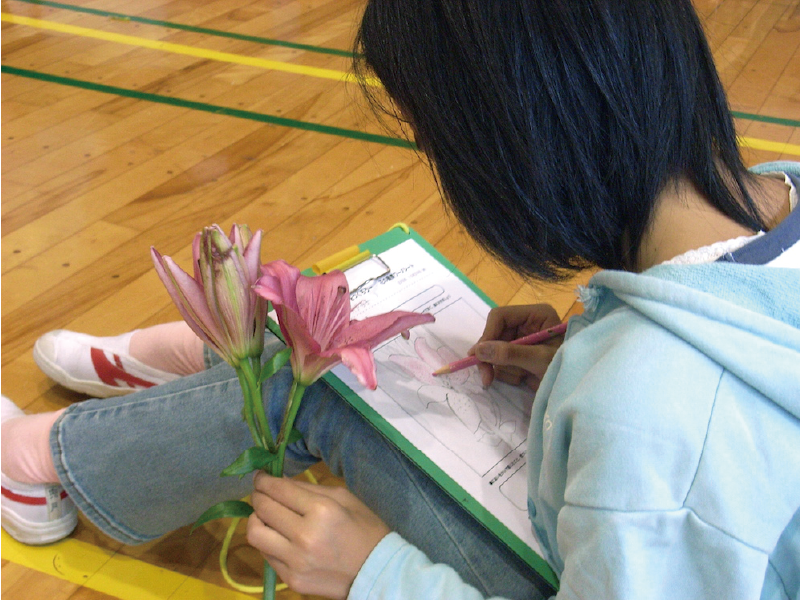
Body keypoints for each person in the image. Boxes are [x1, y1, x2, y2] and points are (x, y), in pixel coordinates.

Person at [2, 0, 798, 599]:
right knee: (356, 355)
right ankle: (208, 365)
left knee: (333, 390)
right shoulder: (781, 192)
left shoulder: (655, 411)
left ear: (516, 152)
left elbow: (678, 448)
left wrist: (375, 574)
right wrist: (590, 346)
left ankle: (45, 464)